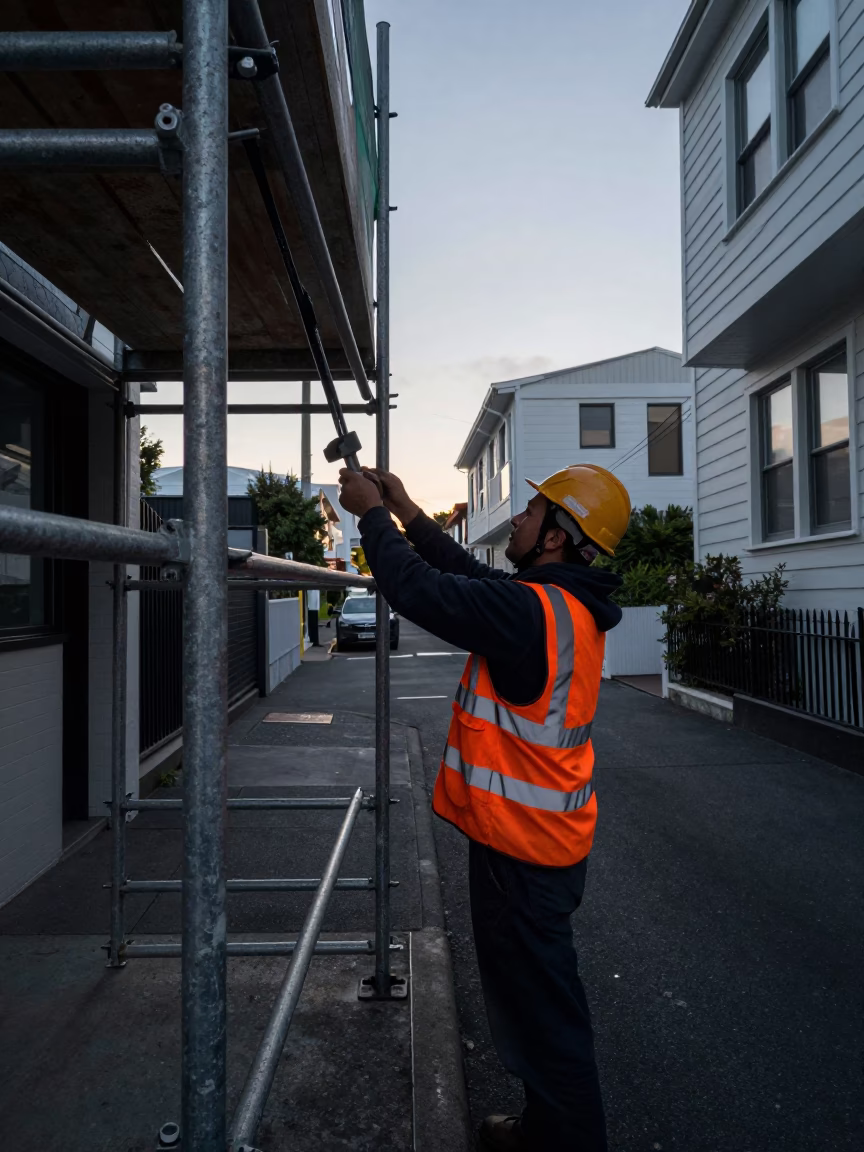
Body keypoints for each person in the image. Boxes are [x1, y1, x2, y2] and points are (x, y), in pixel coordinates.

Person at [338, 462, 631, 1152]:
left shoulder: (535, 611)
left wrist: (370, 517)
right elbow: (461, 573)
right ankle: (543, 1131)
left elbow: (421, 591)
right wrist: (407, 510)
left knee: (548, 1021)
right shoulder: (558, 605)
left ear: (557, 536)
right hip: (539, 847)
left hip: (523, 857)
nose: (520, 520)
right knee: (537, 1008)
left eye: (534, 511)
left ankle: (564, 1143)